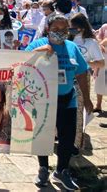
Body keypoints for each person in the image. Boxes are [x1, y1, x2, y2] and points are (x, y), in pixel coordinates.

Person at [26, 15, 93, 191]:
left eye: (64, 30)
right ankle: (43, 169)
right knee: (42, 136)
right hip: (43, 101)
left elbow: (81, 73)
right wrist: (40, 50)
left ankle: (62, 170)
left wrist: (87, 99)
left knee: (67, 138)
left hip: (68, 100)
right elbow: (21, 62)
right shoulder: (37, 44)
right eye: (56, 30)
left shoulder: (72, 47)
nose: (60, 33)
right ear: (48, 29)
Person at [69, 13, 104, 154]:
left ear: (82, 27)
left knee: (78, 110)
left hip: (81, 78)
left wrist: (84, 63)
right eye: (70, 27)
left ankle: (76, 143)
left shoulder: (90, 42)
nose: (72, 29)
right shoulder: (68, 39)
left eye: (74, 27)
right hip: (65, 78)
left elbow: (101, 63)